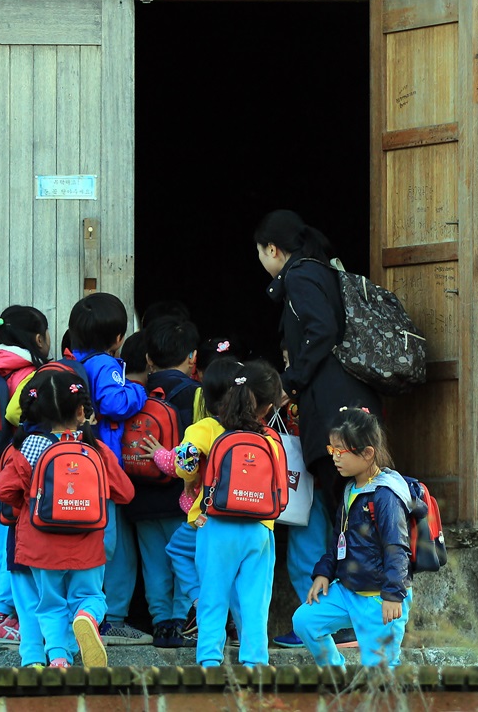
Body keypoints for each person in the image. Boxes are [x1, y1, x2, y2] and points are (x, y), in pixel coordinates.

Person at [255, 209, 379, 648]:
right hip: (347, 408)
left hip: (332, 413)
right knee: (348, 512)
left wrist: (290, 382)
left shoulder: (301, 275)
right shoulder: (323, 272)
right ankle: (341, 620)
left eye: (260, 253)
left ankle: (340, 622)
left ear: (273, 249)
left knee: (345, 514)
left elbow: (322, 329)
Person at [0, 367, 136, 667]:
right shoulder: (94, 449)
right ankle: (86, 616)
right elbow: (125, 493)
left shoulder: (29, 448)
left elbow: (2, 489)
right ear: (81, 412)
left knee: (50, 605)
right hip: (88, 545)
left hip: (41, 545)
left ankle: (58, 658)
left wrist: (29, 503)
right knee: (90, 596)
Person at [147, 358, 285, 667]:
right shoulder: (270, 437)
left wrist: (191, 477)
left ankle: (209, 662)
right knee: (255, 603)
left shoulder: (207, 428)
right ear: (266, 407)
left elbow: (183, 462)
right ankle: (255, 665)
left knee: (213, 597)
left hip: (216, 525)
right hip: (260, 527)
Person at [291, 407, 412, 667]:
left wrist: (393, 595)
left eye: (340, 451)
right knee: (305, 622)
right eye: (331, 449)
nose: (334, 457)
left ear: (368, 453)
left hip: (379, 598)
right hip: (348, 591)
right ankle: (337, 675)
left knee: (380, 673)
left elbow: (397, 548)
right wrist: (324, 572)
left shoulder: (386, 494)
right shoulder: (350, 488)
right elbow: (339, 540)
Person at [67, 292, 153, 645]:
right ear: (118, 338)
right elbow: (115, 403)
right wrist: (138, 390)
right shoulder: (106, 365)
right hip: (103, 469)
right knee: (110, 546)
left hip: (78, 469)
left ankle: (84, 612)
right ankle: (105, 619)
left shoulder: (71, 363)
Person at [0, 305, 53, 644]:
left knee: (0, 544)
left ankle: (1, 614)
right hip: (18, 476)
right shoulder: (27, 376)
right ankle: (0, 617)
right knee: (12, 548)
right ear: (38, 339)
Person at [129, 316, 202, 647]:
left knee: (154, 563)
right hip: (181, 498)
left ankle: (161, 624)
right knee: (184, 560)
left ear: (148, 359)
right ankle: (182, 620)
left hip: (140, 496)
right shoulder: (196, 395)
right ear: (192, 357)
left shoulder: (134, 393)